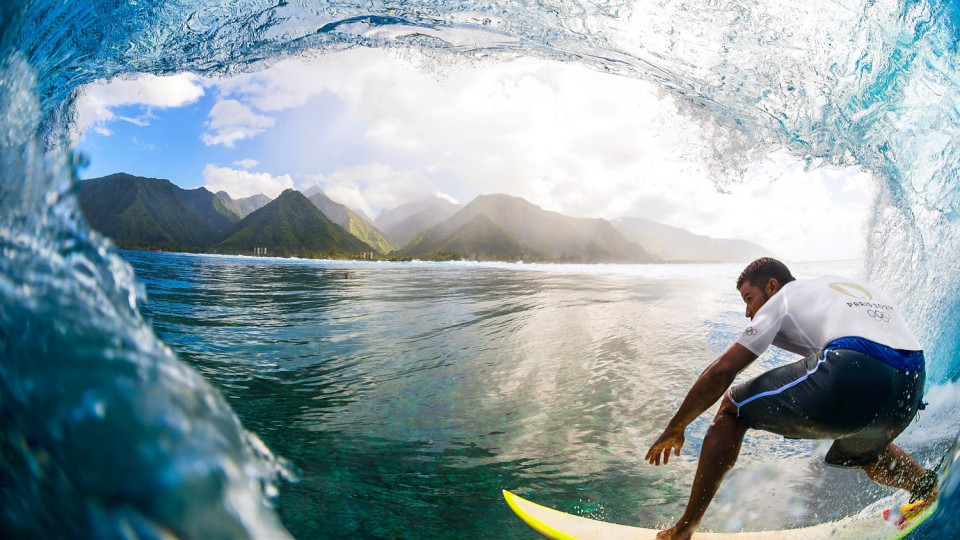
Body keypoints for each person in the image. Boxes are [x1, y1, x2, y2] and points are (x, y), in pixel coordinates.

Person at [645, 258, 937, 539]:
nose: (748, 312)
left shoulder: (783, 298)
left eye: (749, 298)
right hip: (911, 382)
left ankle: (684, 528)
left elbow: (723, 370)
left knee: (733, 408)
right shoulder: (834, 286)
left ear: (772, 286)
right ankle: (926, 488)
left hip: (854, 363)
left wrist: (676, 426)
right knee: (865, 449)